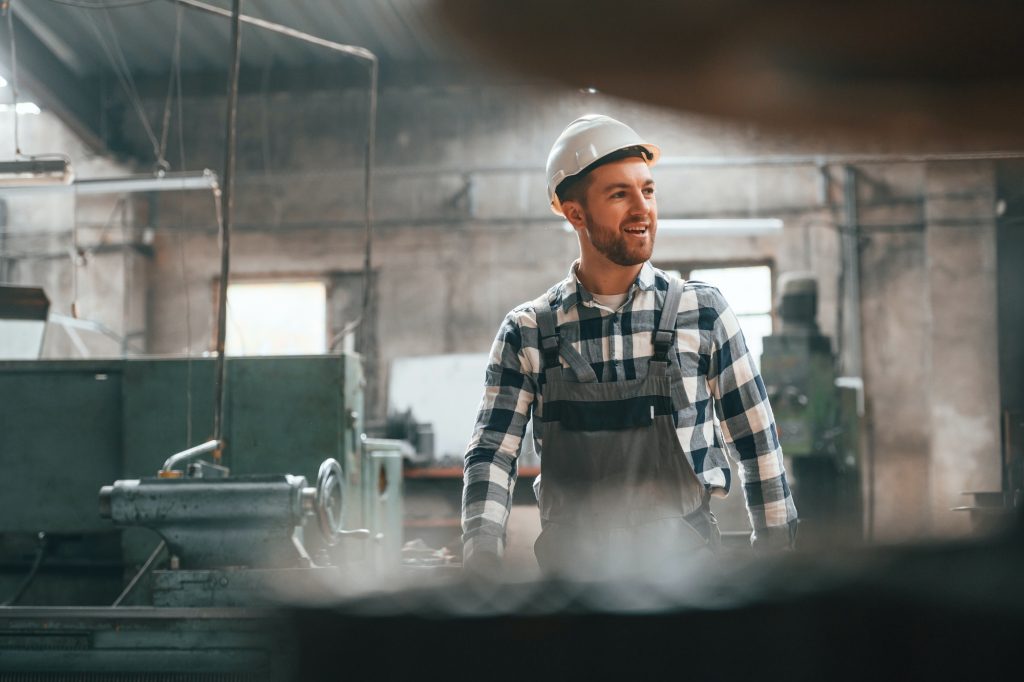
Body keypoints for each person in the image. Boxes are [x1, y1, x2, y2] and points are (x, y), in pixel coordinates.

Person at [461, 114, 798, 580]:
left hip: (687, 584)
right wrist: (481, 560)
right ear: (574, 211)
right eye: (619, 194)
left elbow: (757, 443)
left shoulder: (702, 312)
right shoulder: (529, 331)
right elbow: (492, 453)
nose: (643, 208)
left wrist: (777, 562)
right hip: (572, 591)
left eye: (648, 190)